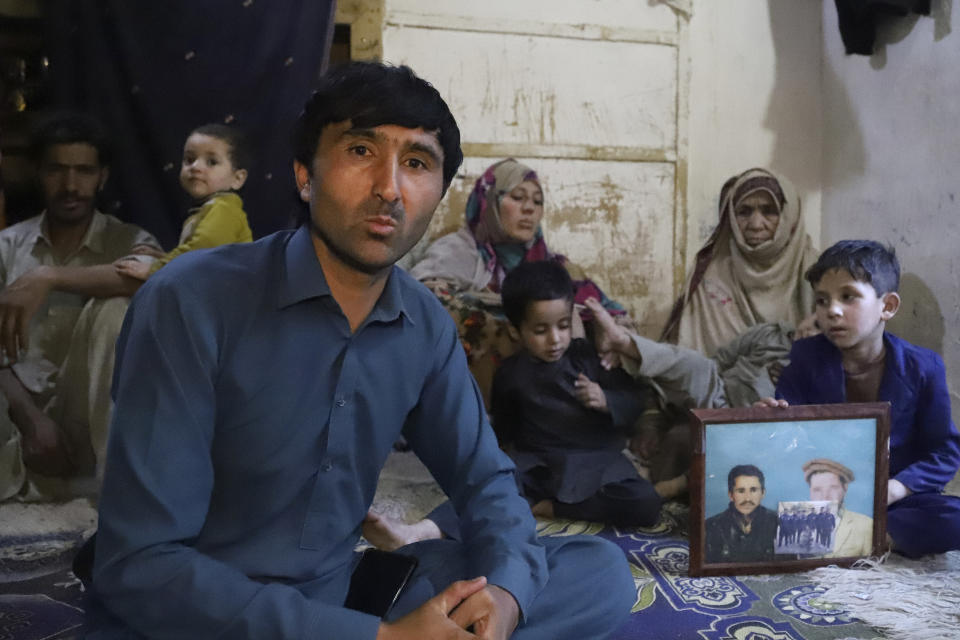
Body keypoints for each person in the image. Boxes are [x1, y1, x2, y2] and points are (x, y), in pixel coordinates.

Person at [90, 61, 634, 639]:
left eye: (417, 163)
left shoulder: (422, 322)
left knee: (596, 573)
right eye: (359, 152)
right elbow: (139, 563)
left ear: (438, 195)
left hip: (340, 593)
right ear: (305, 176)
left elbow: (486, 482)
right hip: (198, 612)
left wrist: (502, 598)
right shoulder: (191, 300)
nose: (389, 188)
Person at [763, 240, 960, 558]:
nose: (832, 311)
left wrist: (894, 489)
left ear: (888, 306)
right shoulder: (805, 357)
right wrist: (767, 420)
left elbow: (945, 452)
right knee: (751, 502)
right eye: (822, 301)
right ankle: (853, 535)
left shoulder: (923, 367)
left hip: (891, 497)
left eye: (848, 296)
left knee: (953, 518)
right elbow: (788, 434)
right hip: (821, 491)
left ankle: (867, 536)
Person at [0, 112, 160, 500]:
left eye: (84, 171)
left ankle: (118, 497)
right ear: (38, 173)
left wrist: (46, 277)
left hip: (87, 413)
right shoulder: (7, 247)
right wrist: (31, 418)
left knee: (120, 306)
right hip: (13, 409)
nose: (70, 185)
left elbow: (158, 279)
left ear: (102, 176)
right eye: (57, 170)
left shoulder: (128, 239)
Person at [408, 157, 627, 404]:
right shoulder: (457, 251)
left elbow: (611, 313)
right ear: (489, 201)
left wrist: (606, 330)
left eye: (537, 201)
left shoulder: (551, 264)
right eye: (518, 197)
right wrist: (518, 321)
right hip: (475, 395)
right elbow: (420, 302)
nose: (529, 209)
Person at [661, 168, 819, 357]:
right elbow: (694, 357)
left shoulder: (817, 270)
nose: (755, 224)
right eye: (744, 212)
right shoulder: (713, 276)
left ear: (790, 216)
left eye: (769, 211)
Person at [114, 123, 253, 281]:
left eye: (212, 162)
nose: (195, 167)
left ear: (237, 178)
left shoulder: (224, 210)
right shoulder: (212, 208)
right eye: (189, 159)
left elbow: (202, 250)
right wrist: (163, 257)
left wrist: (156, 268)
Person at [704, 464, 778, 563]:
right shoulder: (710, 527)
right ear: (731, 495)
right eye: (741, 491)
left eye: (753, 490)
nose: (747, 498)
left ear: (763, 493)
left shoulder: (778, 523)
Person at [802, 458, 872, 557]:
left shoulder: (866, 525)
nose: (825, 497)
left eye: (833, 488)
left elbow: (872, 567)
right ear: (810, 492)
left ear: (845, 488)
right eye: (817, 490)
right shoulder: (795, 525)